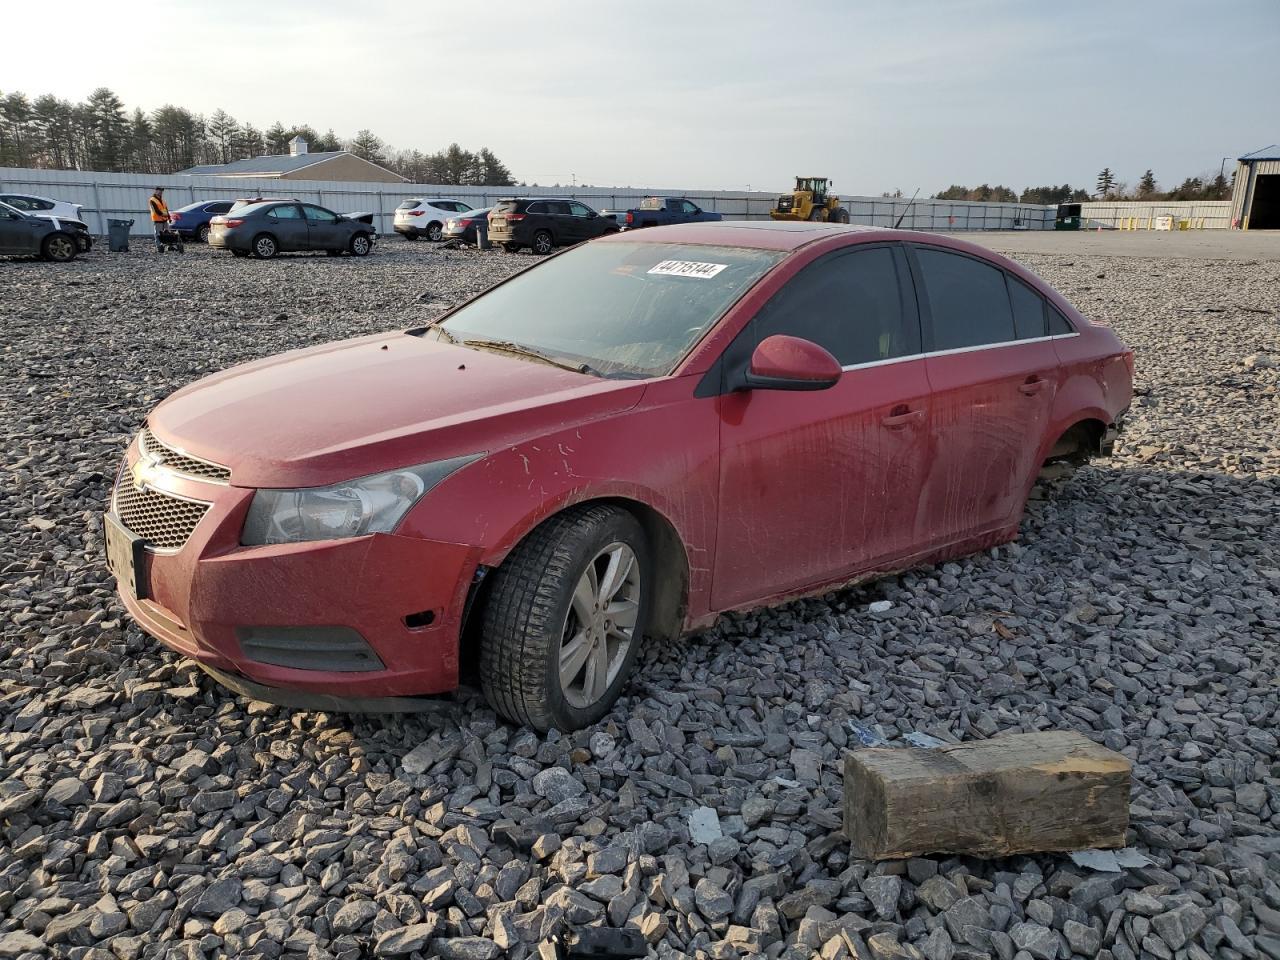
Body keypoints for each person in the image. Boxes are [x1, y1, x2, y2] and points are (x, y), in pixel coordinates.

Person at [148, 187, 170, 252]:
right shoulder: (152, 200)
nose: (160, 192)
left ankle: (169, 246)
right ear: (155, 191)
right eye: (159, 190)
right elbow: (156, 211)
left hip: (165, 220)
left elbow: (166, 210)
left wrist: (169, 217)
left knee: (167, 234)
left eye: (161, 191)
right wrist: (164, 215)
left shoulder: (163, 201)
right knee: (158, 234)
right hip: (157, 220)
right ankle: (159, 247)